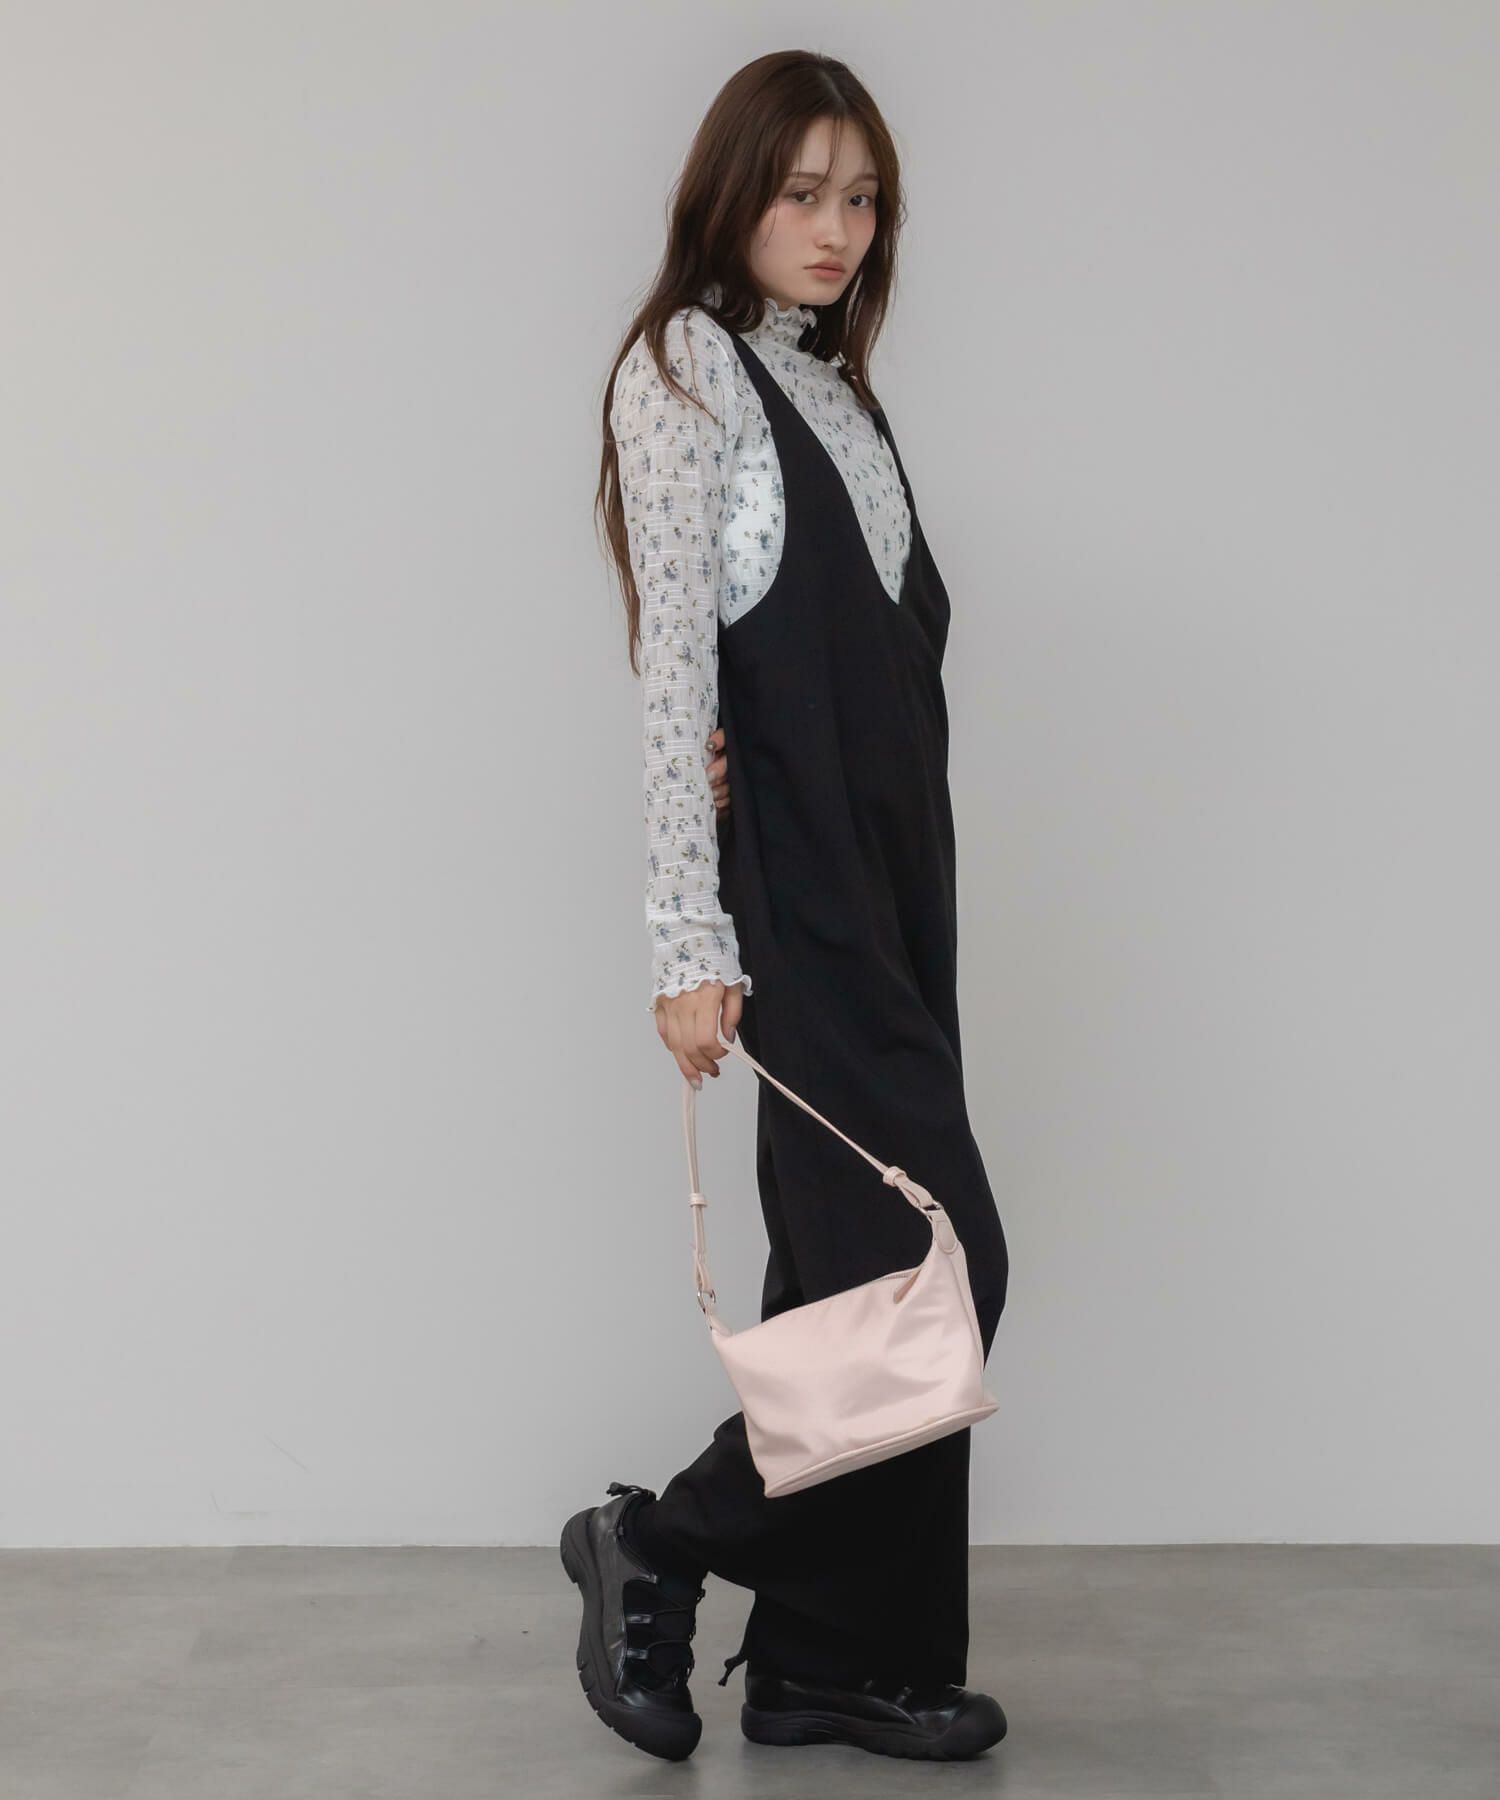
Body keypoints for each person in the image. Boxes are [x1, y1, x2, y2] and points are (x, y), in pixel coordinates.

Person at [562, 48, 1010, 1765]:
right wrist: (691, 941)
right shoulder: (687, 367)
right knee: (934, 1266)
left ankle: (836, 1661)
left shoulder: (833, 389)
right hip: (800, 899)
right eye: (803, 191)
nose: (838, 227)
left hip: (898, 895)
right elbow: (680, 671)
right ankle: (659, 1541)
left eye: (863, 197)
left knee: (847, 1281)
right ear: (731, 195)